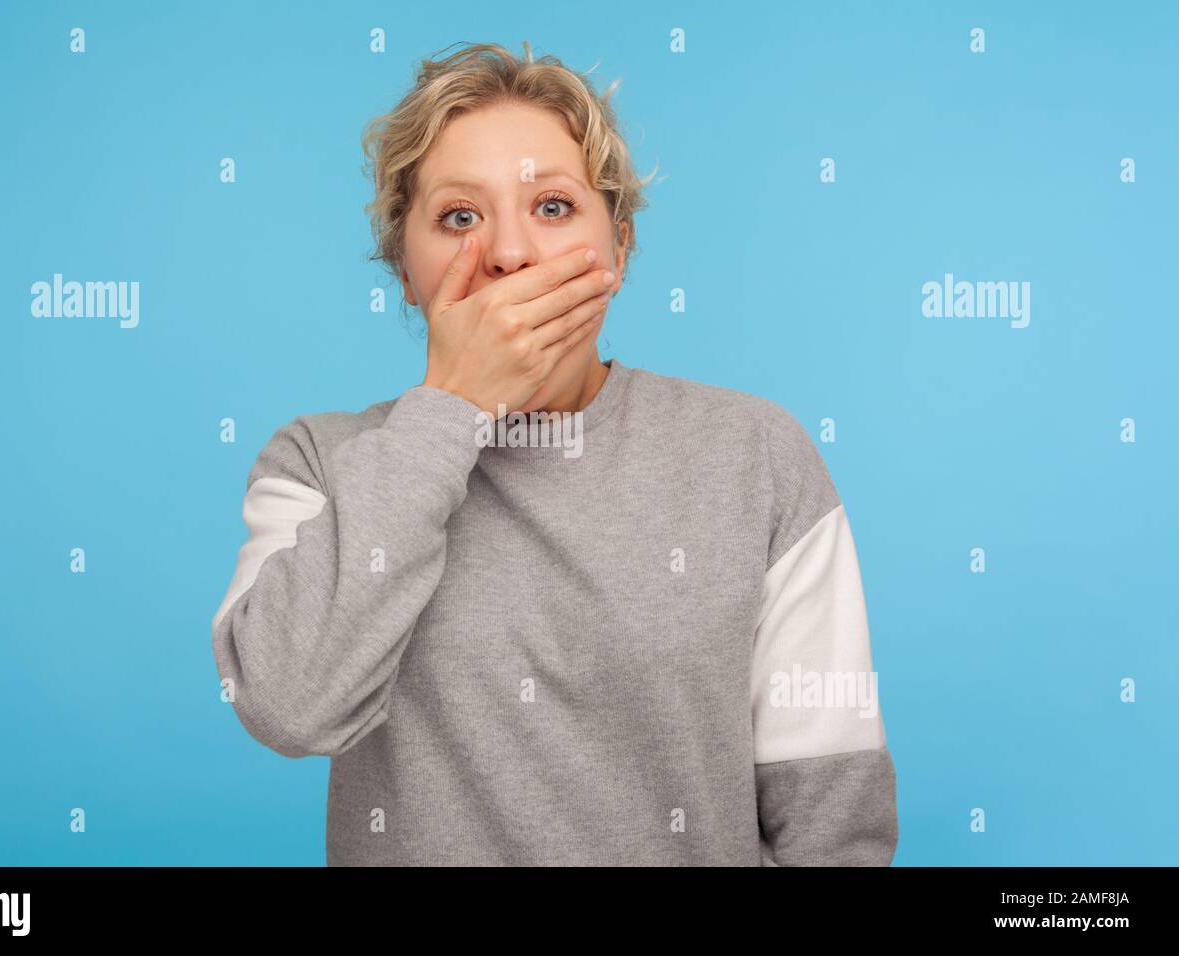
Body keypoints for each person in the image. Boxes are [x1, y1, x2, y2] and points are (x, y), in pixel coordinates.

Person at [211, 41, 898, 866]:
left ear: (621, 244)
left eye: (553, 207)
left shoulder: (757, 456)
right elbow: (289, 708)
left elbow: (834, 826)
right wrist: (452, 408)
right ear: (404, 269)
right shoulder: (319, 464)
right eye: (459, 217)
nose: (507, 254)